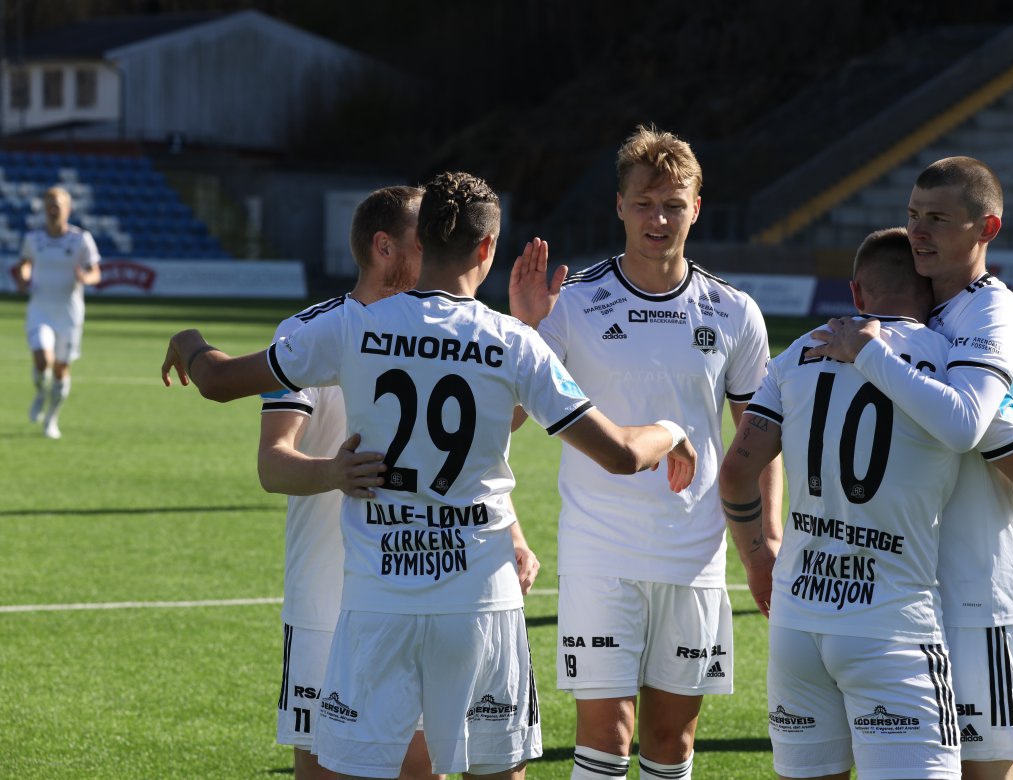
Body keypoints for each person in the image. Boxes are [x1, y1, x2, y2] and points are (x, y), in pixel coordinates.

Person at [162, 170, 698, 780]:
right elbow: (623, 453)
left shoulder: (353, 328)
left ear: (422, 244)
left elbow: (218, 381)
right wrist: (672, 429)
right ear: (487, 248)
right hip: (480, 605)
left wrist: (190, 340)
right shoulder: (512, 342)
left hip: (378, 603)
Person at [721, 227, 1013, 780]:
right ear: (931, 292)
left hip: (799, 617)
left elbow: (736, 474)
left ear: (857, 292)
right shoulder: (949, 369)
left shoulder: (798, 354)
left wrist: (759, 557)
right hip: (892, 625)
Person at [509, 125, 778, 780]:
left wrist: (764, 544)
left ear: (696, 209)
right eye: (644, 204)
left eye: (673, 205)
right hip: (599, 551)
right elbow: (505, 418)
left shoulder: (734, 311)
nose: (658, 220)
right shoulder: (571, 304)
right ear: (620, 207)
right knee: (606, 735)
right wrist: (525, 330)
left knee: (671, 741)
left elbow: (758, 439)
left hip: (695, 554)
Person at [258, 185, 521, 780]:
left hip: (418, 596)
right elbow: (272, 463)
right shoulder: (309, 332)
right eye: (422, 239)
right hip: (325, 600)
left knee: (421, 769)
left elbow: (472, 464)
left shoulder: (446, 337)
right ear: (384, 248)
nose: (436, 251)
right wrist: (332, 472)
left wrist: (516, 535)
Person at [807, 157, 1013, 780]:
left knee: (982, 772)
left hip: (979, 589)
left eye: (938, 219)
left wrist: (869, 356)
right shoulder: (921, 318)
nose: (918, 231)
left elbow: (966, 423)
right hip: (907, 591)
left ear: (986, 228)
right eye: (913, 215)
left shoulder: (990, 310)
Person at [15, 186, 101, 439]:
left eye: (58, 204)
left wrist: (86, 278)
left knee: (61, 370)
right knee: (42, 359)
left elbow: (96, 272)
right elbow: (25, 263)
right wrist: (23, 277)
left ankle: (51, 419)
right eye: (49, 204)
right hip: (40, 309)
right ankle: (40, 392)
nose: (53, 208)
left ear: (68, 209)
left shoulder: (80, 239)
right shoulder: (33, 239)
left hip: (69, 314)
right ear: (44, 209)